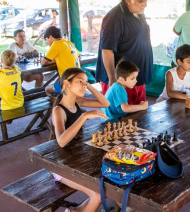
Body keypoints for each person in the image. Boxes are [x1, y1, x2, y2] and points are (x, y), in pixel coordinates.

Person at [51, 68, 110, 212]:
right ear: (67, 84)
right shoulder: (59, 110)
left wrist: (88, 85)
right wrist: (83, 117)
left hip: (75, 159)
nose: (84, 85)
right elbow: (61, 141)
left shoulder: (77, 101)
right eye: (79, 82)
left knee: (106, 182)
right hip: (59, 166)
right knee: (97, 193)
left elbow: (105, 103)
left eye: (86, 82)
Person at [96, 0, 153, 105]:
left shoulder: (139, 13)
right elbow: (107, 50)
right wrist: (113, 79)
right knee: (119, 117)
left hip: (135, 78)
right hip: (121, 81)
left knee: (138, 116)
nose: (145, 4)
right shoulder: (114, 18)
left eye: (146, 0)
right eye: (141, 1)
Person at [41, 26, 80, 96]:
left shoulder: (56, 44)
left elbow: (43, 62)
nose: (47, 42)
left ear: (50, 37)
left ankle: (60, 105)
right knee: (58, 81)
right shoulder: (68, 43)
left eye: (46, 39)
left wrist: (55, 60)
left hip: (69, 83)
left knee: (47, 90)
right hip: (79, 79)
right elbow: (79, 57)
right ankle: (63, 101)